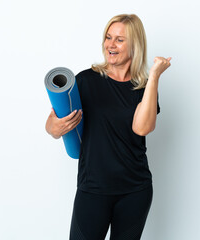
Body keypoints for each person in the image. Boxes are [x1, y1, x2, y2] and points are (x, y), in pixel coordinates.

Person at [46, 13, 171, 240]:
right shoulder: (84, 81)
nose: (110, 45)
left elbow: (142, 128)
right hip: (93, 189)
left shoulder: (144, 88)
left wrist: (153, 78)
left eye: (119, 40)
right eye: (108, 37)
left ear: (135, 45)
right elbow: (52, 127)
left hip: (135, 190)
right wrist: (56, 127)